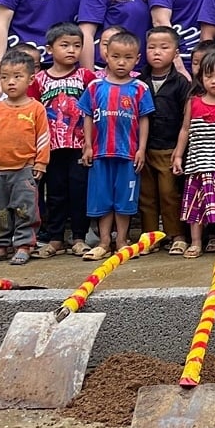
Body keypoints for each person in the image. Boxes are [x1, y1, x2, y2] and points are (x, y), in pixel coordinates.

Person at [77, 31, 156, 261]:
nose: (121, 62)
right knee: (102, 199)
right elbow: (88, 116)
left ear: (137, 58)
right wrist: (88, 146)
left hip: (128, 155)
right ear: (106, 56)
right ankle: (104, 242)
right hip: (100, 154)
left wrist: (141, 149)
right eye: (116, 56)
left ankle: (122, 240)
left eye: (128, 57)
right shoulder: (94, 87)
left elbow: (144, 119)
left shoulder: (140, 88)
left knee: (124, 200)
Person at [0, 49, 50, 265]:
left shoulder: (36, 109)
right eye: (5, 77)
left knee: (25, 209)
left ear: (30, 79)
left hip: (25, 170)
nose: (11, 82)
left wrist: (41, 163)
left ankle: (24, 245)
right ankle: (0, 246)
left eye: (17, 77)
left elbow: (44, 138)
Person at [30, 23, 91, 258]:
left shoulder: (86, 76)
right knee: (55, 193)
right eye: (64, 45)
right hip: (50, 147)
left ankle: (78, 237)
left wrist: (89, 145)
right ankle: (55, 238)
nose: (71, 50)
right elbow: (33, 112)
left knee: (79, 191)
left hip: (79, 146)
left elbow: (91, 112)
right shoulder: (38, 80)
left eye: (77, 46)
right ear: (49, 49)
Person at [173, 45, 215, 259]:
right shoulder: (193, 103)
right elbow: (184, 130)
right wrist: (177, 156)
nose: (214, 81)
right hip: (197, 165)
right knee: (196, 207)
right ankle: (195, 243)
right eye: (208, 76)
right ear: (201, 78)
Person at [137, 26, 189, 256]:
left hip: (169, 148)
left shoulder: (180, 83)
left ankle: (176, 234)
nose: (157, 52)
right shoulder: (139, 82)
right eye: (151, 47)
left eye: (164, 47)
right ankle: (151, 236)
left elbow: (186, 121)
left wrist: (180, 150)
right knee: (146, 195)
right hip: (144, 149)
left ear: (176, 53)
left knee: (169, 193)